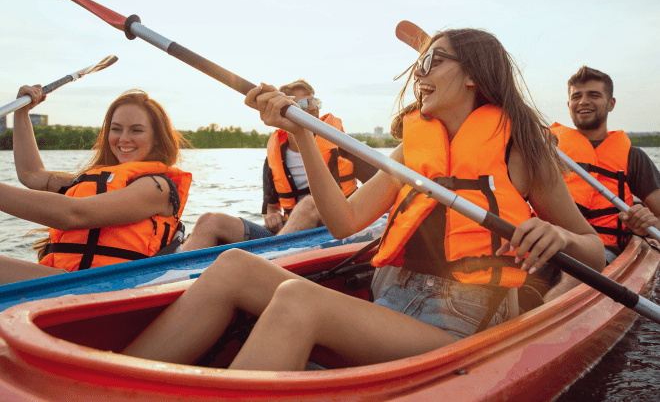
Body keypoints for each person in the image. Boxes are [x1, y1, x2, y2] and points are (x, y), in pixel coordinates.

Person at [122, 28, 604, 371]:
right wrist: (305, 137)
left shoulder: (523, 149)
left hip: (457, 326)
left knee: (297, 301)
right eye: (420, 63)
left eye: (433, 61)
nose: (420, 74)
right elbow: (345, 222)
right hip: (388, 303)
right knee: (233, 265)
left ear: (474, 75)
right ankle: (109, 384)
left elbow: (594, 249)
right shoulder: (412, 150)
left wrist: (558, 234)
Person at [0, 86, 192, 285]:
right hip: (69, 283)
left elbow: (73, 214)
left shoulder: (157, 188)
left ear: (158, 140)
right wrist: (21, 112)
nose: (124, 138)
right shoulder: (93, 181)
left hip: (107, 291)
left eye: (137, 130)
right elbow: (31, 175)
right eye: (116, 129)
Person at [181, 79, 377, 251]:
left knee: (310, 202)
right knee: (209, 221)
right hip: (291, 233)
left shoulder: (342, 144)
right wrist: (272, 216)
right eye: (302, 103)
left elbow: (381, 187)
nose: (311, 107)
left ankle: (264, 263)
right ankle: (169, 282)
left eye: (314, 101)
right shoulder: (274, 156)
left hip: (339, 232)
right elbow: (271, 207)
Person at [551, 66, 660, 264]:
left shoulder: (634, 157)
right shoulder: (548, 152)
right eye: (577, 96)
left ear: (611, 104)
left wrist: (648, 224)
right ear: (569, 104)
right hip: (549, 244)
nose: (583, 102)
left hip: (604, 252)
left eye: (594, 95)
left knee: (578, 268)